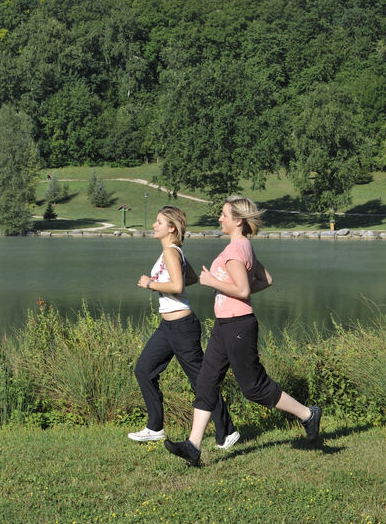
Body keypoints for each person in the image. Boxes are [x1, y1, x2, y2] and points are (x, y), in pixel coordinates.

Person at [164, 195, 322, 466]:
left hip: (238, 326)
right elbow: (266, 280)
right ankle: (193, 446)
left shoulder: (236, 251)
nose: (220, 219)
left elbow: (244, 289)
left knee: (254, 387)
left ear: (238, 220)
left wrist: (211, 281)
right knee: (206, 381)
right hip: (225, 325)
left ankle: (308, 415)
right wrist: (234, 291)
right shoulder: (244, 246)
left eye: (224, 215)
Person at [128, 206, 240, 450]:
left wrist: (150, 284)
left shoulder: (170, 251)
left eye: (159, 222)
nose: (154, 226)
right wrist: (161, 283)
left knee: (201, 381)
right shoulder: (174, 252)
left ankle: (227, 431)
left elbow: (178, 285)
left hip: (182, 327)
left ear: (171, 228)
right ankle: (155, 427)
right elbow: (190, 278)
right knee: (144, 370)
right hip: (168, 327)